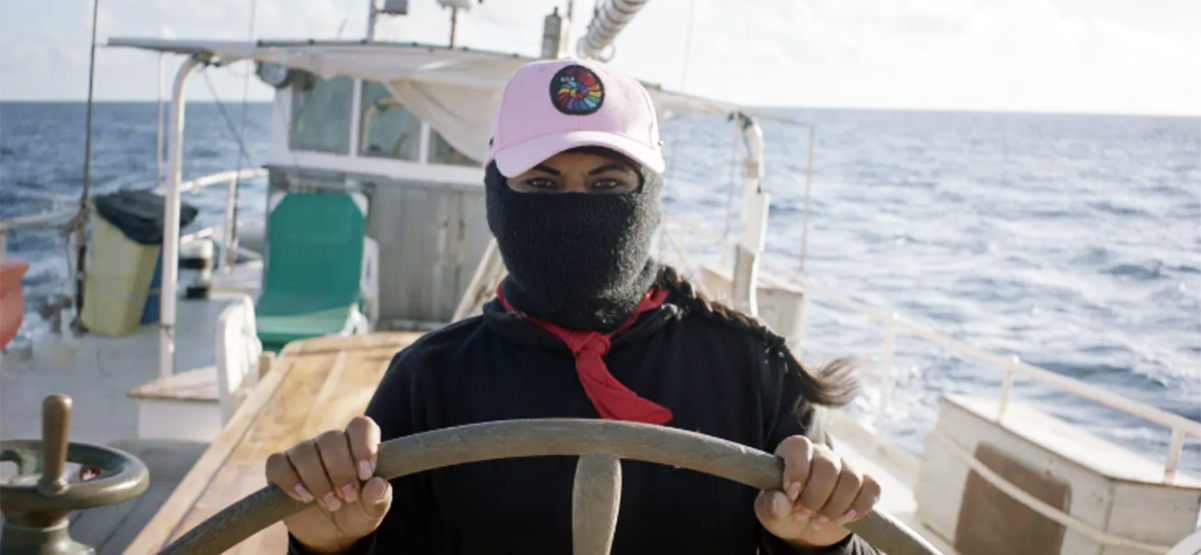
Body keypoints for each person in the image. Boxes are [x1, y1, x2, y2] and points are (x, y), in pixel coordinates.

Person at [269, 59, 882, 555]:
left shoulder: (755, 371)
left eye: (608, 185)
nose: (574, 209)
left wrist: (820, 545)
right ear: (497, 198)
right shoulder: (429, 379)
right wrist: (330, 545)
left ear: (649, 198)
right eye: (541, 185)